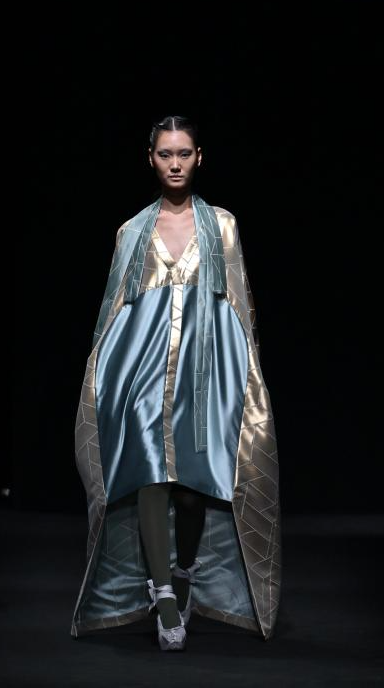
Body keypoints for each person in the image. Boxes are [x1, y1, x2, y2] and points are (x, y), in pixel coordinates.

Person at [70, 115, 281, 650]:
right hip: (142, 374)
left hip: (204, 377)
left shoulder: (223, 225)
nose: (175, 164)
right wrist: (104, 379)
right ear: (151, 159)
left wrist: (248, 382)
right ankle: (163, 594)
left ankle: (183, 572)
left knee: (190, 492)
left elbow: (241, 308)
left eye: (184, 153)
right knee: (150, 475)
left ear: (199, 157)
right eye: (165, 154)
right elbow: (113, 311)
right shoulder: (133, 230)